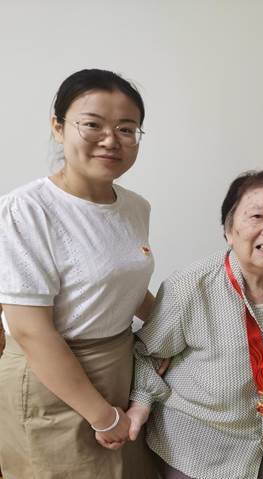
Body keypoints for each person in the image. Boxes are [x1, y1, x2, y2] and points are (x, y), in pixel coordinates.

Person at [121, 170, 263, 479]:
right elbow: (148, 353)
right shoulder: (190, 286)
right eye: (257, 216)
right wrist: (141, 404)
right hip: (200, 447)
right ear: (228, 230)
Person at [0, 69, 157, 478]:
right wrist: (102, 415)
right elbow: (31, 330)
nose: (111, 140)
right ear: (58, 127)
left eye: (127, 128)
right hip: (53, 379)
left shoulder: (136, 207)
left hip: (120, 367)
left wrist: (179, 333)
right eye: (92, 124)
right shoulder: (26, 210)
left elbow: (126, 286)